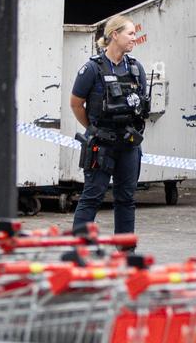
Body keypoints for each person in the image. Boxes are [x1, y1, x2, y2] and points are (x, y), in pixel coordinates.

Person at [70, 15, 149, 235]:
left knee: (126, 198)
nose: (134, 38)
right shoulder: (92, 69)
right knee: (92, 196)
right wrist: (93, 129)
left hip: (129, 145)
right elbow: (76, 104)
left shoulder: (136, 68)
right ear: (115, 35)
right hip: (101, 145)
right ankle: (79, 248)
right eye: (130, 33)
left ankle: (125, 252)